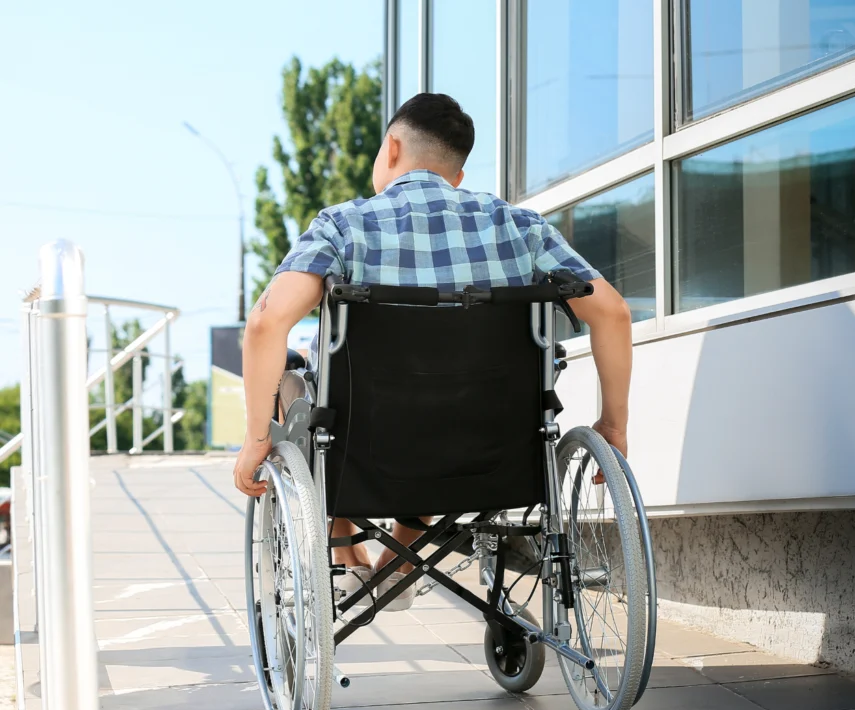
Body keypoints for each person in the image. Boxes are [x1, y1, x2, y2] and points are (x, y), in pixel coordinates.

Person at [231, 93, 633, 611]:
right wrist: (614, 425)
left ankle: (345, 552)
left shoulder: (344, 227)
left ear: (391, 149)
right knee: (441, 408)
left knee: (301, 388)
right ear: (456, 177)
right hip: (493, 453)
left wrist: (255, 438)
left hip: (369, 451)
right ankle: (399, 561)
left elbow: (266, 323)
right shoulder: (519, 227)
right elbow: (614, 313)